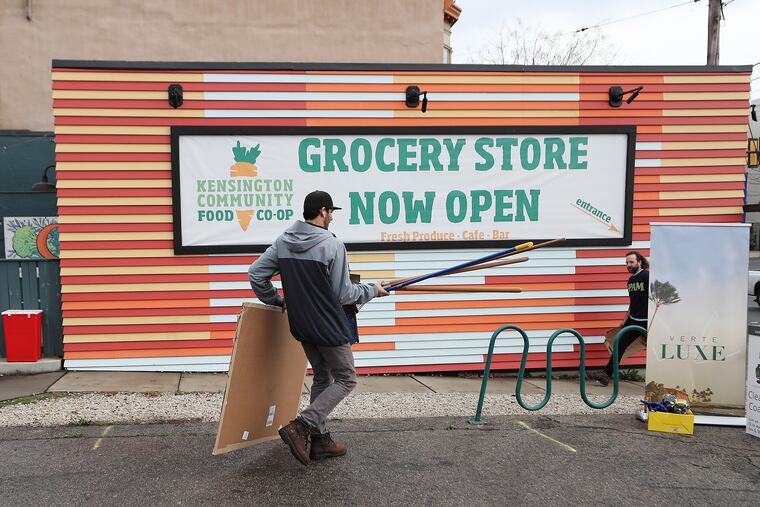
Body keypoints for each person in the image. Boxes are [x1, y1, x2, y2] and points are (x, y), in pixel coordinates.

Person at [248, 190, 388, 466]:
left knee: (322, 376)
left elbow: (255, 274)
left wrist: (277, 301)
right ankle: (301, 426)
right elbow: (344, 294)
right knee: (347, 378)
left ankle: (321, 441)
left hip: (301, 325)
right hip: (328, 326)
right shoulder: (332, 245)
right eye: (331, 211)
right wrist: (372, 289)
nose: (332, 216)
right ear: (323, 212)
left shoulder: (283, 241)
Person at [590, 251, 649, 386]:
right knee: (619, 344)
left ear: (640, 262)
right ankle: (606, 374)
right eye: (627, 263)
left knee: (655, 348)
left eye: (631, 262)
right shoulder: (631, 280)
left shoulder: (647, 276)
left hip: (648, 321)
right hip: (633, 319)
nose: (628, 265)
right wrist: (625, 318)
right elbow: (633, 302)